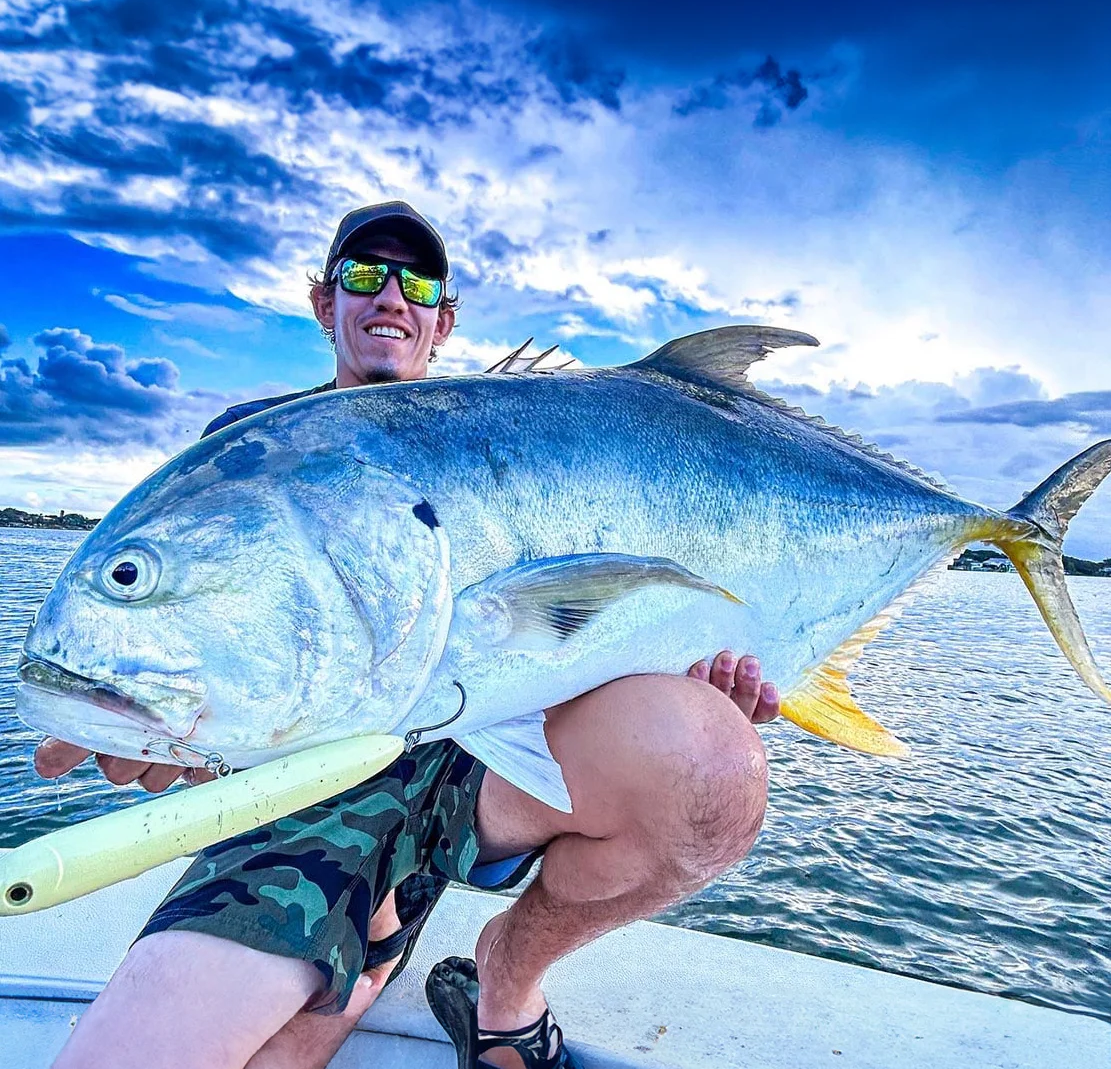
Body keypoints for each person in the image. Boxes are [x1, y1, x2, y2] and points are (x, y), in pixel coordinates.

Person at [35, 201, 781, 1069]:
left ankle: (505, 980)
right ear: (325, 303)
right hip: (315, 794)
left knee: (714, 763)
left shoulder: (522, 429)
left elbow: (590, 621)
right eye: (362, 272)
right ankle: (376, 928)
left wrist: (683, 665)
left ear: (442, 320)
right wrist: (180, 725)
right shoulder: (251, 449)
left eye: (416, 280)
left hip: (492, 751)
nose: (390, 292)